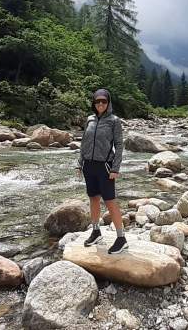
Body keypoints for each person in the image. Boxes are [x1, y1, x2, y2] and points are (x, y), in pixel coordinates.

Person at [75, 88, 126, 254]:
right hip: (89, 166)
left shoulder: (114, 121)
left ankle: (121, 238)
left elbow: (119, 145)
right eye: (97, 101)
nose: (100, 104)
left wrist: (115, 168)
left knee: (110, 201)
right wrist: (79, 163)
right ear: (94, 103)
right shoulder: (90, 119)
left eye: (104, 101)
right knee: (93, 198)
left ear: (108, 102)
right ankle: (96, 231)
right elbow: (84, 142)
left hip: (105, 166)